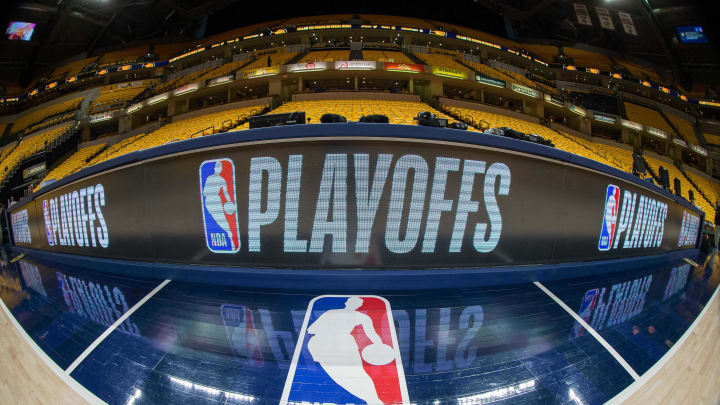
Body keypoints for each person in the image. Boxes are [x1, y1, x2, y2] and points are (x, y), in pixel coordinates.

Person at [306, 297, 386, 404]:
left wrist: (380, 346)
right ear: (346, 302)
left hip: (343, 344)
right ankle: (370, 398)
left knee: (358, 373)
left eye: (357, 303)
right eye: (353, 302)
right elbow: (311, 329)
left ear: (359, 306)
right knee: (339, 376)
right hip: (324, 345)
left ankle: (373, 399)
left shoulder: (360, 317)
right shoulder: (331, 313)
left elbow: (372, 334)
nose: (355, 305)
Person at [202, 161, 237, 246]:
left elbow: (226, 194)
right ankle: (230, 236)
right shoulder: (210, 178)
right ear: (215, 168)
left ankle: (231, 237)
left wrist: (229, 203)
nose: (218, 169)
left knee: (222, 221)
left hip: (216, 200)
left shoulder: (222, 180)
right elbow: (204, 193)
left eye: (220, 167)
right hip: (212, 201)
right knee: (222, 221)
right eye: (217, 167)